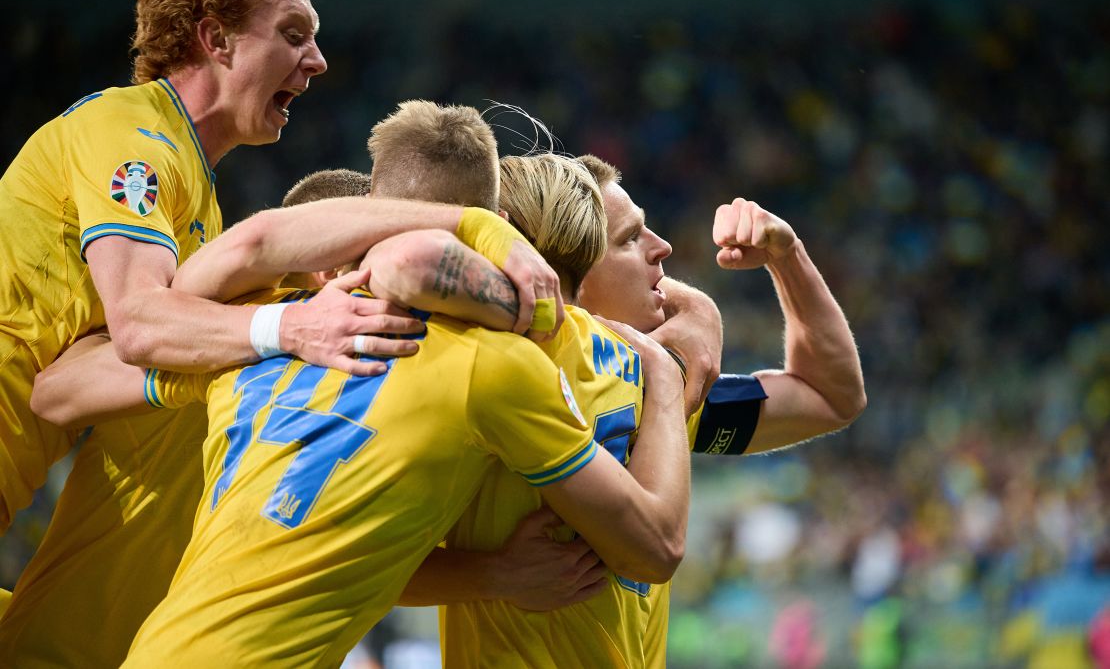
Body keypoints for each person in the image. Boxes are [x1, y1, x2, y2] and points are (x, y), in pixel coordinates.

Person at [28, 102, 690, 666]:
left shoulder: (248, 340)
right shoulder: (496, 364)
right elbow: (657, 547)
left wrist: (269, 327)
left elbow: (58, 389)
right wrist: (667, 370)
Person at [394, 152, 866, 667]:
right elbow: (351, 551)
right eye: (629, 239)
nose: (662, 249)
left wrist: (788, 256)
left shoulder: (654, 393)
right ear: (560, 268)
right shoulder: (484, 378)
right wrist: (490, 575)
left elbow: (830, 396)